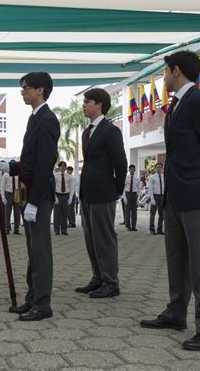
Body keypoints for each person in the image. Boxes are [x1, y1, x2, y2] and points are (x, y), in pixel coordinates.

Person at [140, 51, 200, 351]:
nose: (163, 77)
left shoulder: (199, 101)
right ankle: (176, 313)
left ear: (176, 71)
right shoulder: (177, 105)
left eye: (165, 72)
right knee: (177, 260)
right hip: (177, 196)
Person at [0, 72, 60, 321]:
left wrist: (35, 201)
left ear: (40, 90)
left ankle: (43, 304)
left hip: (38, 196)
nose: (22, 91)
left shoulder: (48, 120)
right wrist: (6, 166)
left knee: (41, 252)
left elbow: (45, 164)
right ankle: (33, 298)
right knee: (33, 250)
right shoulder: (34, 119)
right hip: (29, 191)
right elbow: (30, 162)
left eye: (26, 87)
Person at [76, 88, 127, 298]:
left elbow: (121, 163)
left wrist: (116, 188)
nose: (84, 105)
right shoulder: (87, 131)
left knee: (104, 238)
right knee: (91, 239)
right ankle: (98, 277)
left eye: (88, 101)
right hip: (87, 193)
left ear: (99, 105)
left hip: (104, 192)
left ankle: (110, 282)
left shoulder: (110, 130)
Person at [53, 161, 74, 235]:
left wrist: (71, 197)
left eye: (64, 166)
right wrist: (54, 197)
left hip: (66, 195)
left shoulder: (69, 176)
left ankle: (64, 230)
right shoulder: (55, 176)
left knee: (65, 213)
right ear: (59, 167)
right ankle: (57, 230)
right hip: (58, 195)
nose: (63, 167)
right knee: (57, 214)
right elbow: (53, 187)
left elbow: (71, 187)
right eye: (61, 166)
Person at [1, 166, 22, 235]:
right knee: (7, 212)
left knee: (17, 212)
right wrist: (3, 196)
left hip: (17, 192)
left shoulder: (19, 174)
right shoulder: (6, 174)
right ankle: (7, 228)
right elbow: (2, 186)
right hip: (8, 193)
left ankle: (16, 229)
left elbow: (21, 184)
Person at [148, 163, 165, 234]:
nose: (159, 169)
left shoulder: (164, 176)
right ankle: (152, 229)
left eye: (160, 167)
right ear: (155, 168)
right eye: (157, 167)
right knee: (153, 214)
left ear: (162, 168)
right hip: (155, 196)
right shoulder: (152, 177)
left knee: (162, 214)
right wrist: (152, 199)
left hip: (162, 196)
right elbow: (150, 189)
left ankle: (159, 229)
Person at [123, 164, 140, 231]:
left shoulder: (137, 178)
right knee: (127, 211)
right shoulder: (126, 178)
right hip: (127, 194)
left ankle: (134, 226)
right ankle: (128, 226)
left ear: (135, 170)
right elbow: (123, 188)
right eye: (131, 169)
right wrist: (124, 196)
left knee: (134, 211)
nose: (132, 170)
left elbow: (138, 189)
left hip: (134, 194)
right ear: (129, 170)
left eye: (133, 169)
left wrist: (138, 198)